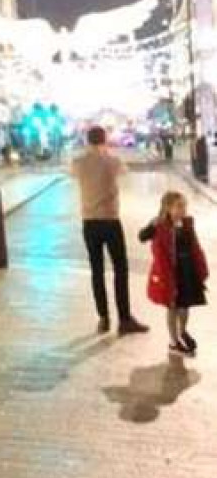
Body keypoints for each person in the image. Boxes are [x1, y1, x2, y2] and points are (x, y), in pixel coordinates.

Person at [71, 125, 147, 335]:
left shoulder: (78, 162)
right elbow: (124, 171)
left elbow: (72, 173)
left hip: (89, 223)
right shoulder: (112, 161)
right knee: (120, 269)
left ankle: (103, 318)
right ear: (104, 140)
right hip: (110, 221)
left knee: (97, 271)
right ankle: (124, 318)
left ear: (87, 140)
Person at [138, 191, 208, 356]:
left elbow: (195, 247)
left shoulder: (187, 224)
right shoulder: (160, 225)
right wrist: (152, 226)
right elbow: (142, 237)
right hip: (169, 274)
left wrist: (201, 267)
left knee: (185, 305)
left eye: (184, 206)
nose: (183, 210)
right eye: (179, 206)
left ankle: (182, 331)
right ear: (168, 208)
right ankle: (173, 341)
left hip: (187, 271)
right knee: (173, 307)